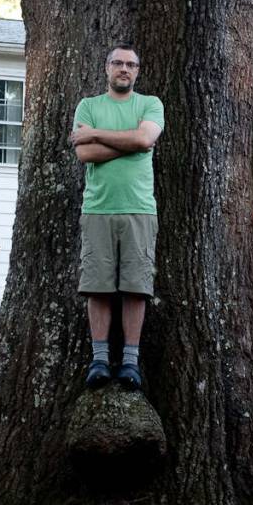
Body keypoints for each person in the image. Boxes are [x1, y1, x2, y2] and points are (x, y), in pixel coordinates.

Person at [71, 44, 164, 390]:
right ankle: (98, 360)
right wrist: (132, 142)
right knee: (97, 287)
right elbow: (84, 153)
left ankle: (129, 363)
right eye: (117, 63)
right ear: (107, 67)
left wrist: (96, 133)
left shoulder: (150, 104)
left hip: (140, 208)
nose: (124, 69)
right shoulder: (89, 106)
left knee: (135, 288)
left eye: (130, 64)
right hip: (97, 209)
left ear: (137, 71)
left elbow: (144, 138)